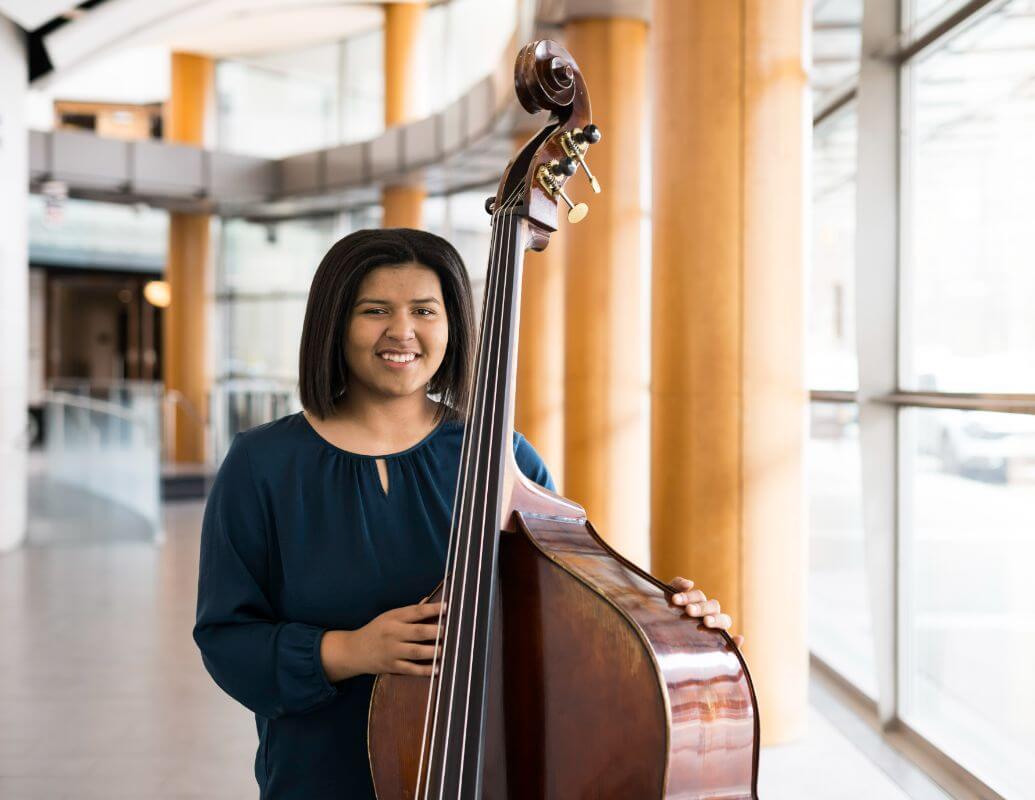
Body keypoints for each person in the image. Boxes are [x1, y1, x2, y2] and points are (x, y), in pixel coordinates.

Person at [193, 228, 736, 799]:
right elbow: (227, 638)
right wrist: (352, 650)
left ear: (452, 325)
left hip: (490, 771)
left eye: (424, 311)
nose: (401, 331)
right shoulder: (262, 464)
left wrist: (664, 622)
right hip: (322, 778)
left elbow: (565, 614)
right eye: (375, 310)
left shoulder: (505, 459)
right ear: (334, 323)